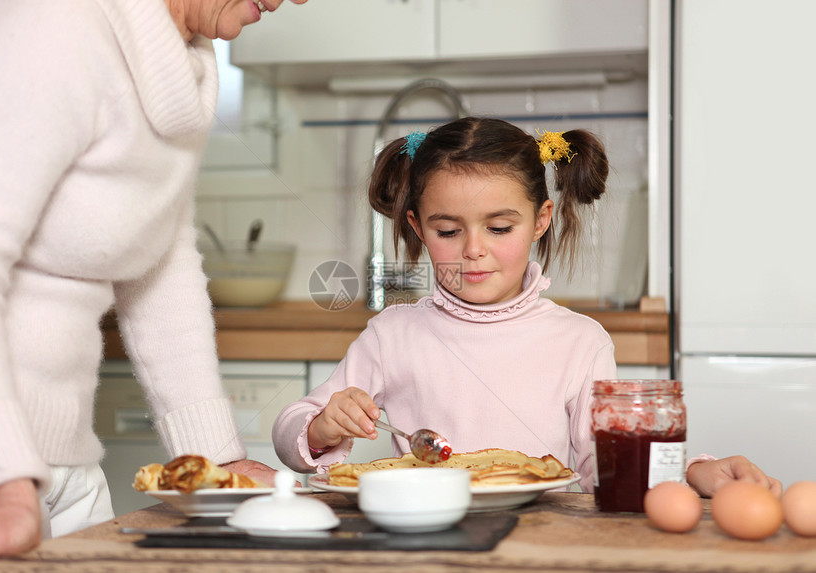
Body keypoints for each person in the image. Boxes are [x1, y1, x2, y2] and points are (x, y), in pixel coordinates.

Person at [0, 0, 307, 566]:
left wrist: (213, 459)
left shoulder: (179, 60)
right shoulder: (48, 27)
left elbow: (161, 267)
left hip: (56, 462)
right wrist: (2, 482)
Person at [271, 117, 780, 499]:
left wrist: (693, 470)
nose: (474, 249)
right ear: (417, 227)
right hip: (428, 541)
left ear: (540, 221)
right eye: (448, 231)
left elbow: (607, 466)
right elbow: (292, 424)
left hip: (548, 542)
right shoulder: (393, 333)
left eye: (499, 228)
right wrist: (319, 427)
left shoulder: (580, 341)